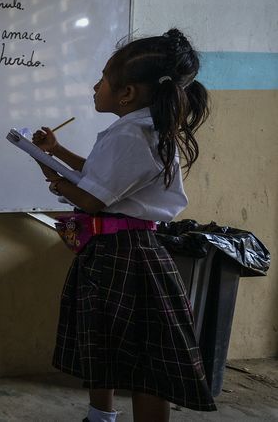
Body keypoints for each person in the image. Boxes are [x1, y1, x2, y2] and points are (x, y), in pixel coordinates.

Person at [30, 29, 216, 422]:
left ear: (127, 93)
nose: (94, 87)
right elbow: (105, 177)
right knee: (108, 341)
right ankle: (100, 416)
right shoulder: (137, 129)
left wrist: (52, 174)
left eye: (101, 80)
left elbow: (94, 199)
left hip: (125, 257)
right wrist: (57, 152)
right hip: (121, 252)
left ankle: (105, 415)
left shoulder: (131, 134)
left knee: (144, 359)